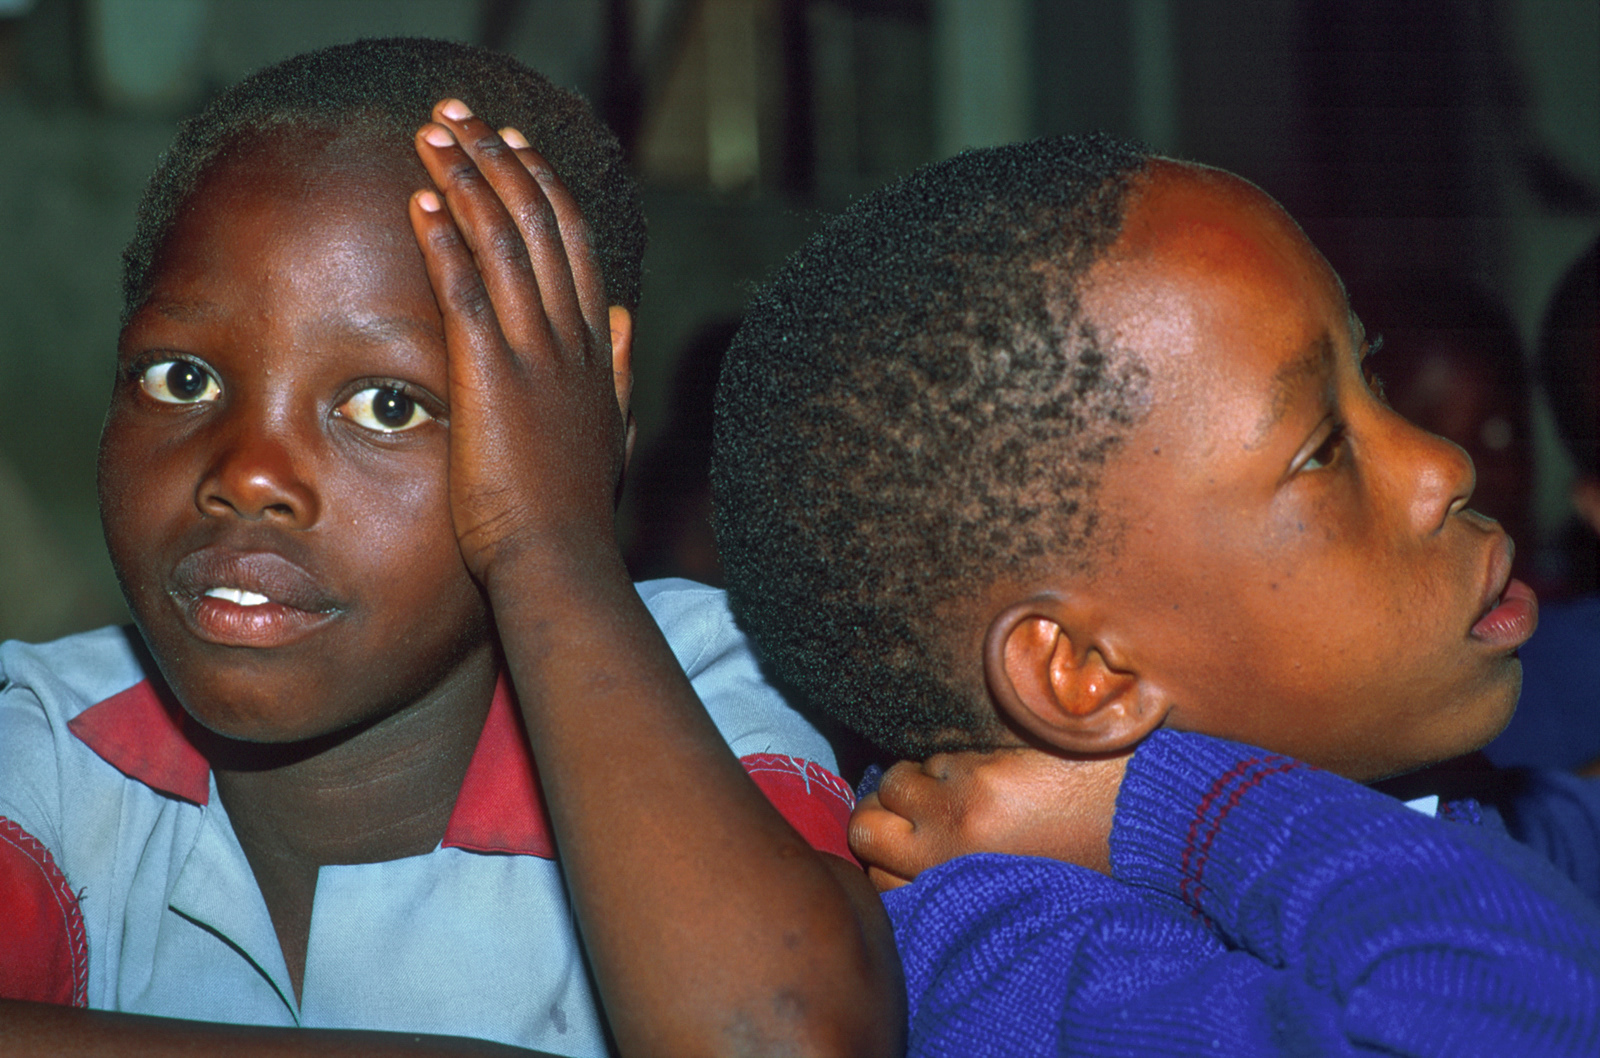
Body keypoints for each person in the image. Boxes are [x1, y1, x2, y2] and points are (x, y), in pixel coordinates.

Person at [0, 39, 899, 1058]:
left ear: (582, 419)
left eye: (387, 403)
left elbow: (779, 1037)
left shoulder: (700, 688)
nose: (248, 472)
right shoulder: (49, 748)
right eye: (180, 378)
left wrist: (547, 541)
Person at [712, 134, 1600, 1056]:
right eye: (1323, 451)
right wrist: (1162, 806)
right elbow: (1524, 1015)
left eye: (1367, 377)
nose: (1443, 468)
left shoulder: (1423, 798)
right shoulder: (1023, 970)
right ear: (1087, 673)